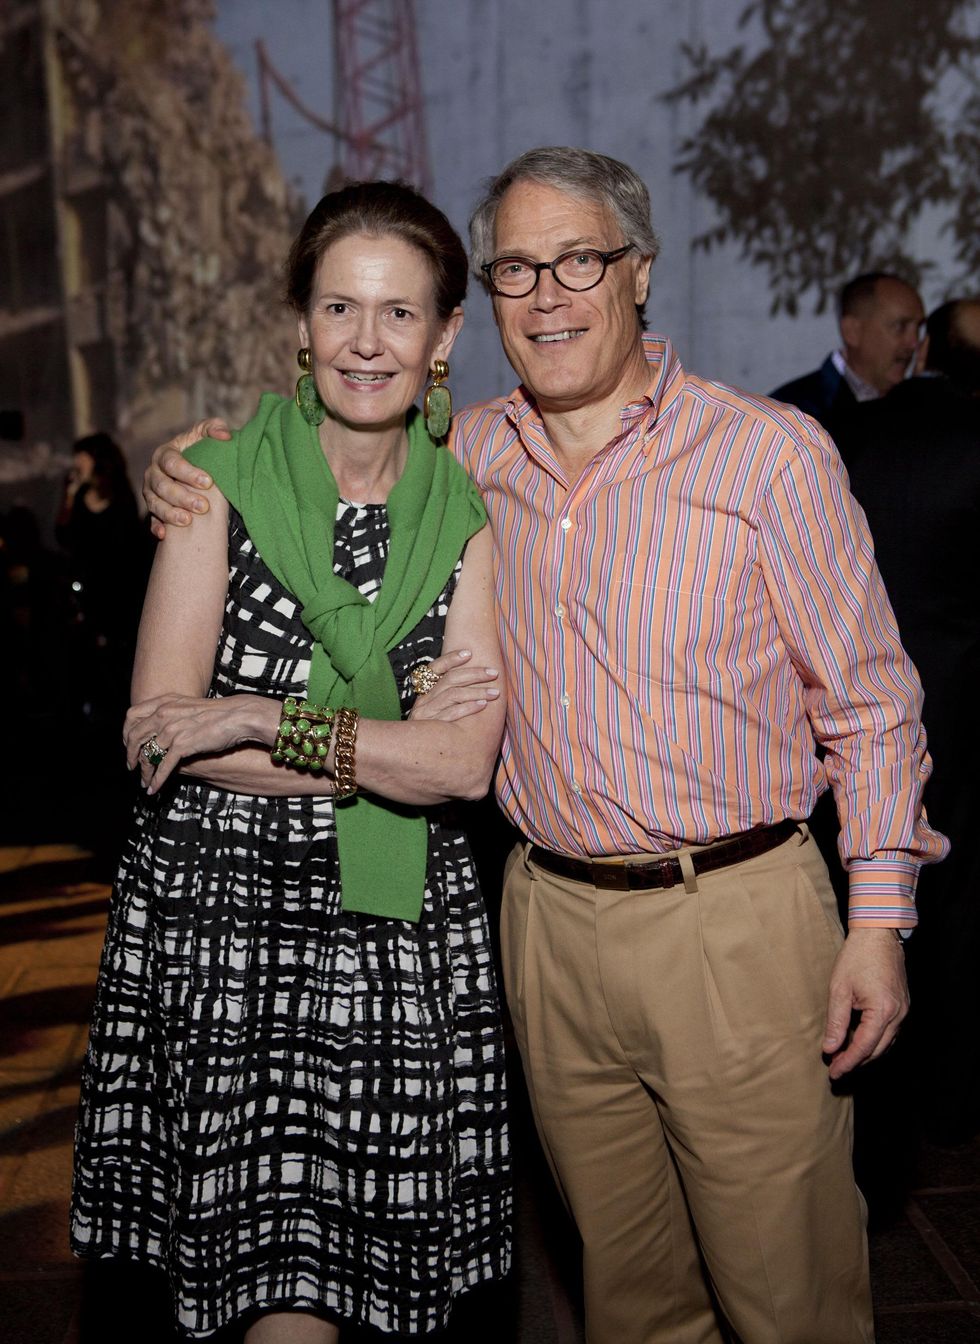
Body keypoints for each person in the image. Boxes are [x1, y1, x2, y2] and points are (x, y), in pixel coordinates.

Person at [143, 147, 946, 1344]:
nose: (548, 294)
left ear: (637, 276)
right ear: (487, 307)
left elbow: (871, 705)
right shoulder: (466, 459)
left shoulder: (764, 454)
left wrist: (877, 928)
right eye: (516, 269)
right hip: (544, 930)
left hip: (731, 923)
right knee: (627, 1301)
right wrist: (189, 461)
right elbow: (323, 436)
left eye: (579, 259)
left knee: (788, 1301)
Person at [70, 181, 511, 1343]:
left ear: (444, 337)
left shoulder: (463, 515)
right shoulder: (216, 479)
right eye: (338, 308)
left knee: (374, 1289)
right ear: (299, 328)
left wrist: (258, 720)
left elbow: (462, 767)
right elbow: (162, 728)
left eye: (399, 314)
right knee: (277, 1295)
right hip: (227, 929)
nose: (366, 342)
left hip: (396, 942)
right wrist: (382, 750)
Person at [840, 297, 980, 1149]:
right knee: (960, 906)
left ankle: (880, 1089)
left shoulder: (842, 437)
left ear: (924, 347)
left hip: (854, 722)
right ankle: (955, 1099)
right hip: (964, 714)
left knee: (866, 900)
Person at [770, 271, 924, 439]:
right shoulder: (795, 412)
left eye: (919, 328)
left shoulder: (919, 405)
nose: (914, 342)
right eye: (900, 327)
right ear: (852, 331)